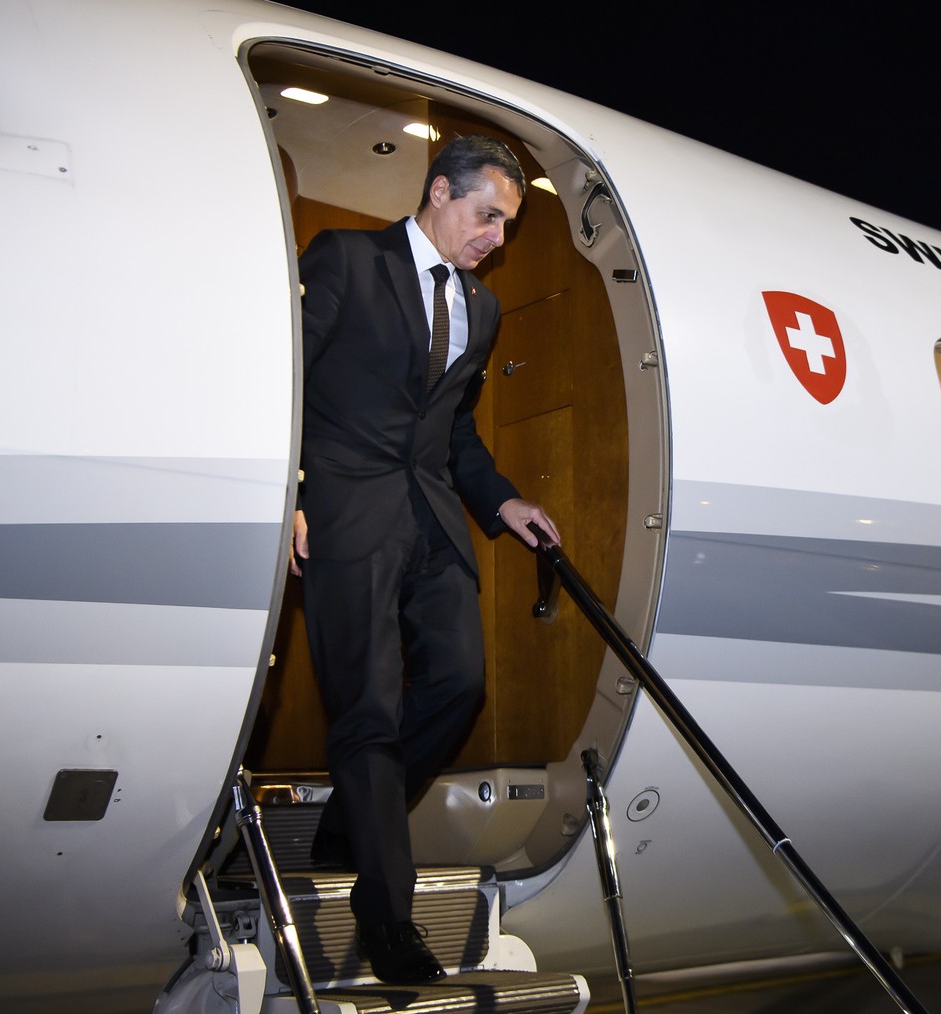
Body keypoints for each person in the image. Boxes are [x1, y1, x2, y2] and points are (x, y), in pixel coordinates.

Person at [290, 134, 560, 985]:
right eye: (488, 216)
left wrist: (503, 501)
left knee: (459, 680)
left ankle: (346, 829)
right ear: (440, 192)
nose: (497, 239)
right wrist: (287, 490)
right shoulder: (346, 259)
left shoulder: (479, 310)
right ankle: (388, 918)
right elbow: (284, 372)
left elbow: (456, 431)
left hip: (433, 517)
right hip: (343, 507)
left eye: (508, 225)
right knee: (367, 705)